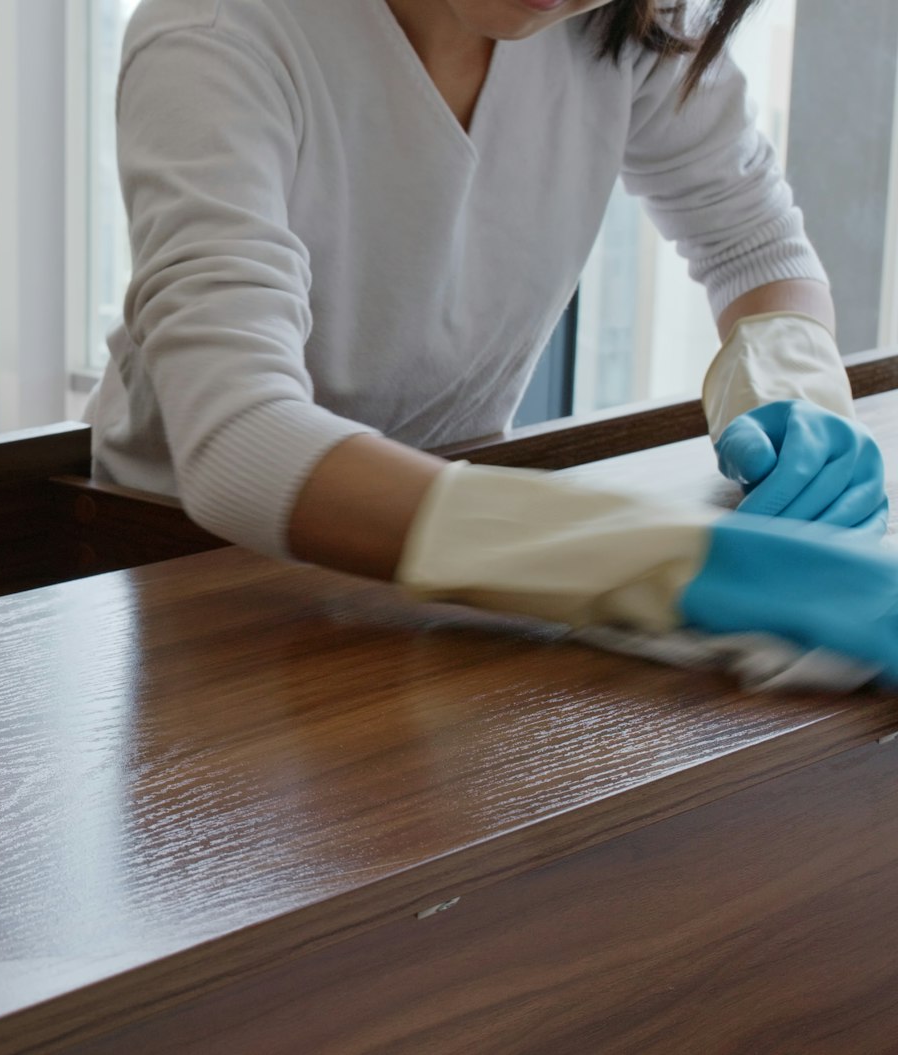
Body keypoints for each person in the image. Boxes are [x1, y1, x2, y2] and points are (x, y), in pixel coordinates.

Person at [90, 0, 898, 673]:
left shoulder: (628, 22)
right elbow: (240, 441)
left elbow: (751, 245)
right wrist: (655, 560)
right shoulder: (218, 34)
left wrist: (795, 396)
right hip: (192, 585)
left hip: (463, 567)